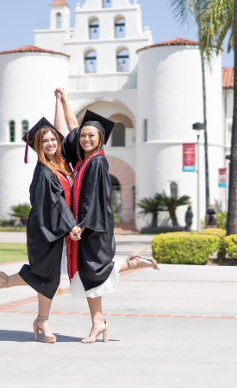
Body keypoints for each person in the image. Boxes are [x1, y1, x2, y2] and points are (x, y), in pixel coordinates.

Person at [59, 90, 159, 343]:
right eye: (83, 136)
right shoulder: (83, 161)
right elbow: (71, 128)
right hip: (86, 227)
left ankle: (132, 265)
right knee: (88, 274)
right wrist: (62, 101)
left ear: (100, 138)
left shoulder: (97, 162)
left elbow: (94, 198)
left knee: (93, 272)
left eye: (90, 135)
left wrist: (81, 225)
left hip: (94, 227)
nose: (84, 139)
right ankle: (98, 322)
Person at [0, 115, 80, 343]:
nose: (50, 143)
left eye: (53, 139)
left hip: (54, 229)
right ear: (37, 145)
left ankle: (40, 319)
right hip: (44, 230)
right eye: (44, 141)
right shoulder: (45, 171)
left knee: (50, 278)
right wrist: (71, 225)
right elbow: (55, 203)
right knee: (46, 277)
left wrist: (60, 98)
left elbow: (63, 130)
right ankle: (7, 286)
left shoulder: (60, 163)